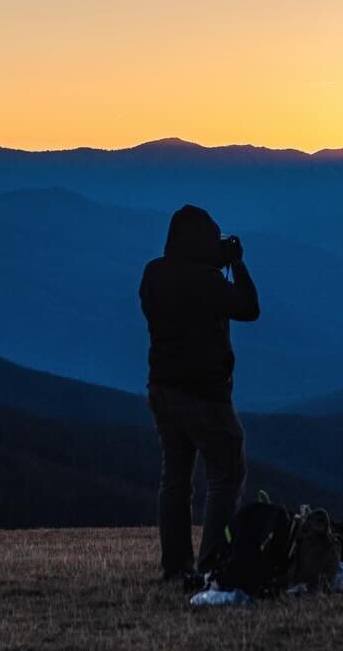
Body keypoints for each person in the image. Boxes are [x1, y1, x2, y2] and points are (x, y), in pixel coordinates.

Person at [139, 204, 260, 587]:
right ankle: (213, 566)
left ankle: (176, 568)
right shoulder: (205, 281)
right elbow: (249, 308)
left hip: (162, 388)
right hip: (205, 395)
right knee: (227, 474)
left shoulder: (153, 274)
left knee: (174, 479)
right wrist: (236, 264)